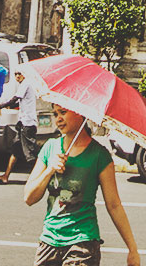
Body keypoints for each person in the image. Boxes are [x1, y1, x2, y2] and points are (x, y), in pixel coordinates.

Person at [24, 103, 139, 266]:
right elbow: (29, 198)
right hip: (49, 241)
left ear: (80, 114)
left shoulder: (99, 156)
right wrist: (50, 169)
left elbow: (114, 205)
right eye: (55, 114)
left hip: (82, 243)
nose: (58, 119)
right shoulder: (50, 148)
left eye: (63, 112)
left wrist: (132, 249)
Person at [0, 68, 39, 183]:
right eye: (15, 74)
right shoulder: (24, 85)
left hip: (28, 124)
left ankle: (39, 178)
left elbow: (15, 99)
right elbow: (16, 102)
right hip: (23, 123)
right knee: (16, 150)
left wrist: (0, 106)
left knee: (31, 153)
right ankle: (6, 176)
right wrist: (6, 106)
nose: (17, 76)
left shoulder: (26, 83)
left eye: (20, 73)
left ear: (25, 74)